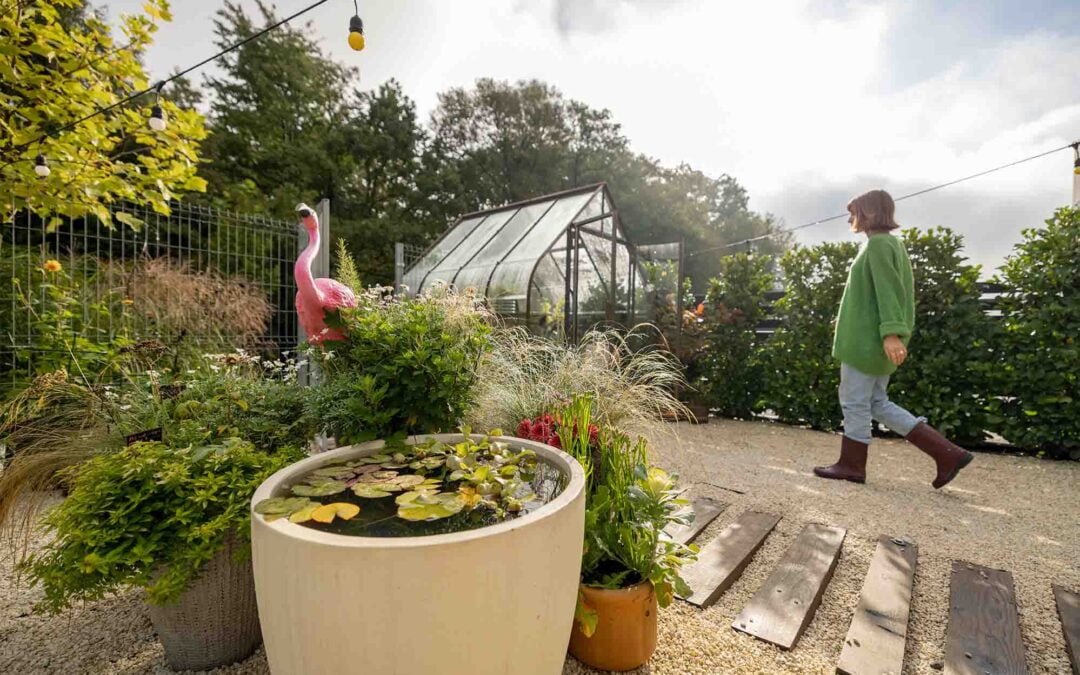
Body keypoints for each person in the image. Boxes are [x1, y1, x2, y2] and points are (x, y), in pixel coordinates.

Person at [814, 189, 973, 489]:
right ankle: (947, 453)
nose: (850, 219)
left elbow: (889, 293)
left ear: (870, 213)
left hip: (866, 343)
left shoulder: (877, 245)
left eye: (854, 212)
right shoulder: (890, 244)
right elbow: (880, 295)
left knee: (854, 401)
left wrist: (890, 333)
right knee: (876, 402)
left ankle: (852, 465)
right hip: (872, 339)